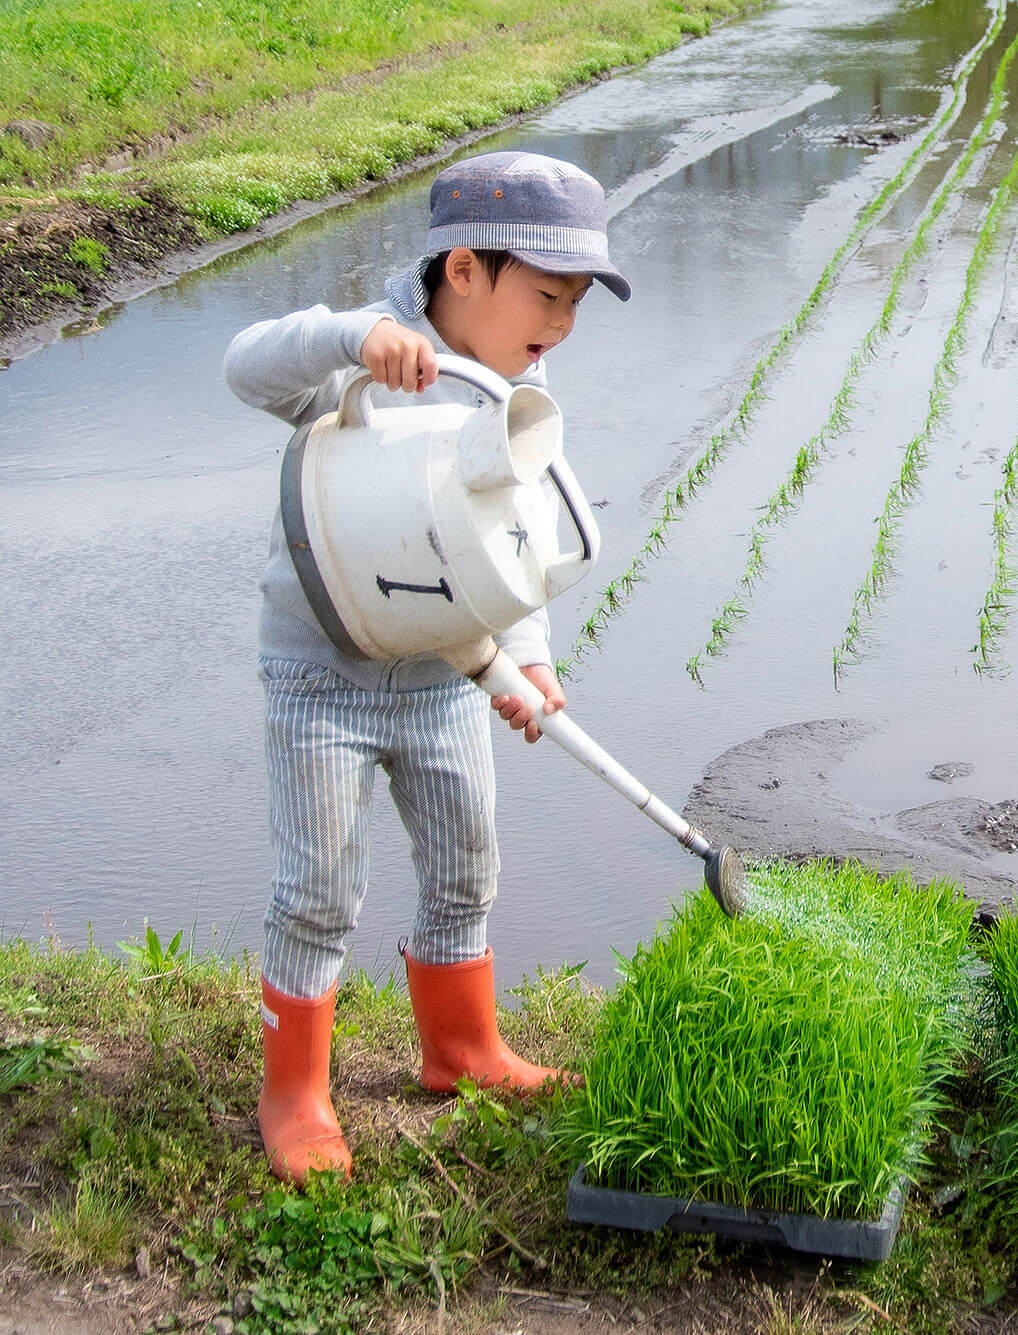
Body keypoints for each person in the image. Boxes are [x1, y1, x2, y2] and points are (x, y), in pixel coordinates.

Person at [223, 151, 631, 1185]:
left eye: (576, 303)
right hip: (326, 674)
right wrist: (354, 341)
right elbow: (244, 366)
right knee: (318, 888)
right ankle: (295, 1095)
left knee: (465, 868)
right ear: (463, 270)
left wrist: (524, 663)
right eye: (546, 296)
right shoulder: (360, 353)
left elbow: (516, 548)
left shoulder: (516, 391)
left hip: (448, 677)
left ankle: (460, 1051)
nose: (562, 326)